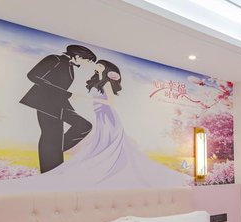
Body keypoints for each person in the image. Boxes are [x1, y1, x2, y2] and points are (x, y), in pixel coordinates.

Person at [47, 60, 188, 188]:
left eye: (100, 65)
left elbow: (110, 102)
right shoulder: (97, 82)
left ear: (106, 68)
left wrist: (89, 99)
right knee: (102, 142)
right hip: (100, 114)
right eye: (97, 64)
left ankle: (110, 172)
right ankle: (104, 172)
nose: (97, 66)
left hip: (107, 115)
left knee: (108, 142)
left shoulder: (107, 83)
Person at [20, 44, 97, 173]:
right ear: (78, 56)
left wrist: (65, 95)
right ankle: (51, 167)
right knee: (59, 132)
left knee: (56, 134)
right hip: (45, 103)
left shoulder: (69, 66)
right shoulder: (54, 59)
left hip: (58, 103)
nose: (86, 64)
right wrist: (67, 94)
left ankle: (52, 165)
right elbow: (32, 76)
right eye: (87, 61)